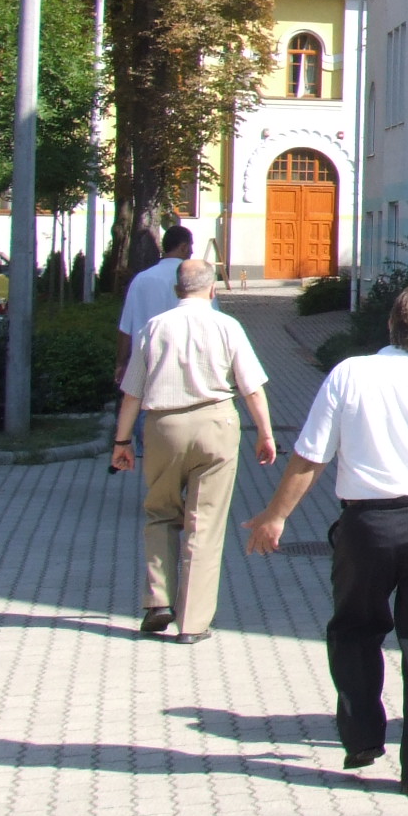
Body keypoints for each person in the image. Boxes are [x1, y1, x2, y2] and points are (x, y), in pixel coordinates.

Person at [241, 285, 408, 796]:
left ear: (391, 325)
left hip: (366, 527)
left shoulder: (350, 374)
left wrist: (276, 516)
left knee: (353, 630)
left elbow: (311, 455)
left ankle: (363, 735)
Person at [111, 258, 278, 642]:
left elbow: (132, 392)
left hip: (163, 427)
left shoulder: (155, 327)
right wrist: (265, 433)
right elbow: (252, 388)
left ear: (177, 290)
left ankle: (158, 601)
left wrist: (122, 441)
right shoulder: (227, 326)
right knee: (205, 523)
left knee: (160, 512)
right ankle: (192, 623)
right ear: (212, 289)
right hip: (216, 425)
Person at [115, 225, 197, 388]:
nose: (192, 251)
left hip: (145, 365)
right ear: (184, 247)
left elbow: (125, 329)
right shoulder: (195, 280)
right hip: (185, 367)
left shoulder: (140, 279)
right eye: (191, 246)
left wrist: (121, 364)